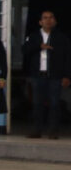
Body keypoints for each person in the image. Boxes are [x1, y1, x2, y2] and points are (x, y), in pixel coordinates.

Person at [23, 10, 71, 139]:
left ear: (55, 21)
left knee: (55, 104)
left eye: (51, 18)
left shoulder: (62, 37)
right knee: (37, 103)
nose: (48, 20)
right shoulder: (33, 36)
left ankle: (53, 131)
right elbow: (25, 51)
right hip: (38, 75)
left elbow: (67, 57)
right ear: (40, 21)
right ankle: (36, 130)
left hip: (55, 75)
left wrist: (67, 76)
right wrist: (39, 47)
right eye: (45, 18)